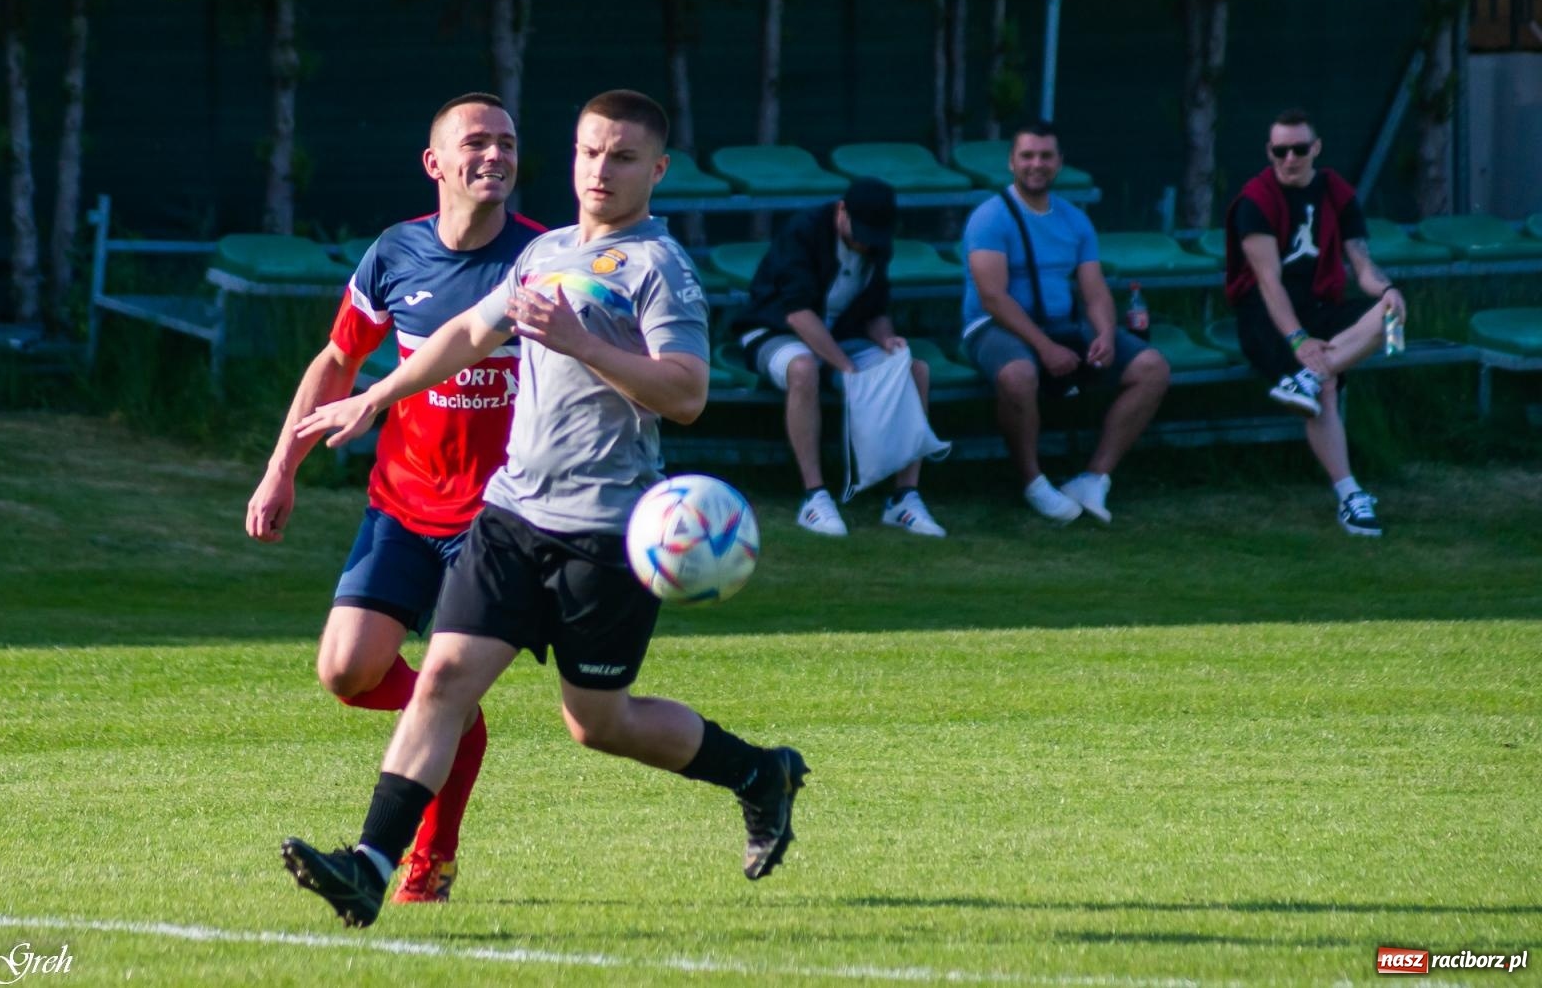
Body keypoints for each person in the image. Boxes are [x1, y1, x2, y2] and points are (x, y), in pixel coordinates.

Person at [278, 89, 809, 929]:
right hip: (511, 517)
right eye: (590, 151)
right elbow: (462, 336)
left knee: (597, 722)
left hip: (604, 533)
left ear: (657, 171)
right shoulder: (548, 252)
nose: (602, 169)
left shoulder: (658, 267)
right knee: (444, 678)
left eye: (624, 156)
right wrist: (373, 396)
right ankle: (371, 865)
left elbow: (689, 393)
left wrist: (582, 343)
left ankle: (758, 774)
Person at [245, 92, 543, 904]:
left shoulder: (544, 260)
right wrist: (283, 467)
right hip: (402, 509)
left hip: (497, 523)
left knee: (444, 683)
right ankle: (455, 723)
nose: (495, 156)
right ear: (434, 163)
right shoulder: (395, 253)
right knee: (346, 671)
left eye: (508, 144)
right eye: (476, 143)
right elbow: (338, 360)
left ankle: (429, 862)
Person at [960, 120, 1170, 524]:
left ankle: (1093, 478)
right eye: (1027, 155)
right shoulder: (990, 217)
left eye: (1045, 156)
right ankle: (1033, 482)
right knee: (1019, 374)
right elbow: (993, 298)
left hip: (1061, 324)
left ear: (1059, 163)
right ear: (1011, 162)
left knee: (1152, 367)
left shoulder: (1075, 219)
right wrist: (1045, 348)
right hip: (994, 327)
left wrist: (1106, 335)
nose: (1036, 164)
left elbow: (1093, 290)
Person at [730, 177, 946, 538]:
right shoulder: (802, 231)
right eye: (860, 231)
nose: (865, 243)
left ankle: (904, 497)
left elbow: (875, 309)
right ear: (842, 211)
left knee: (913, 369)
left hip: (843, 335)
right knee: (802, 369)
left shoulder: (877, 242)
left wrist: (887, 339)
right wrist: (845, 367)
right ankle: (814, 497)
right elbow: (797, 312)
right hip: (774, 330)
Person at [1225, 108, 1406, 537]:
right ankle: (1349, 495)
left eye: (1300, 149)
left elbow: (1360, 263)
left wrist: (1385, 290)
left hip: (1325, 306)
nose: (1290, 158)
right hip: (1267, 314)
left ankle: (1306, 376)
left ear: (1316, 148)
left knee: (1395, 316)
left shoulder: (1336, 192)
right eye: (1280, 150)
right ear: (1269, 151)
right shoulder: (1255, 200)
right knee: (1325, 386)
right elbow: (1268, 284)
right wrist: (1298, 339)